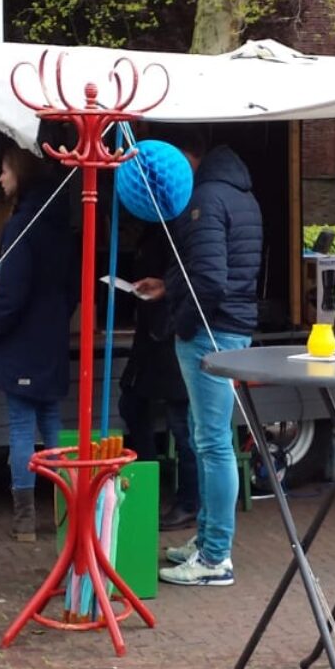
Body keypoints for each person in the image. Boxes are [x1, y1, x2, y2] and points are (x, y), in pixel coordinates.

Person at [133, 131, 263, 587]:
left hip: (210, 332)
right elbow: (212, 270)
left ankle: (215, 557)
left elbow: (209, 280)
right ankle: (208, 540)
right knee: (210, 439)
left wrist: (180, 321)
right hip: (231, 327)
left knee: (211, 443)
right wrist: (168, 285)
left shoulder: (204, 198)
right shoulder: (238, 193)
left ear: (185, 158)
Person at [0, 144, 75, 541]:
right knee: (51, 422)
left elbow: (11, 293)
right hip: (52, 337)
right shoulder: (60, 222)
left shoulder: (19, 226)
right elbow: (73, 287)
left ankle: (24, 520)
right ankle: (65, 511)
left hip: (20, 341)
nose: (0, 178)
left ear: (21, 172)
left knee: (22, 427)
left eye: (4, 170)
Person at [118, 223, 198, 530]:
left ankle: (189, 502)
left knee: (183, 426)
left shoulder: (180, 228)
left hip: (169, 332)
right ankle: (147, 487)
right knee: (135, 405)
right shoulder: (155, 229)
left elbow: (193, 277)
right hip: (153, 333)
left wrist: (164, 289)